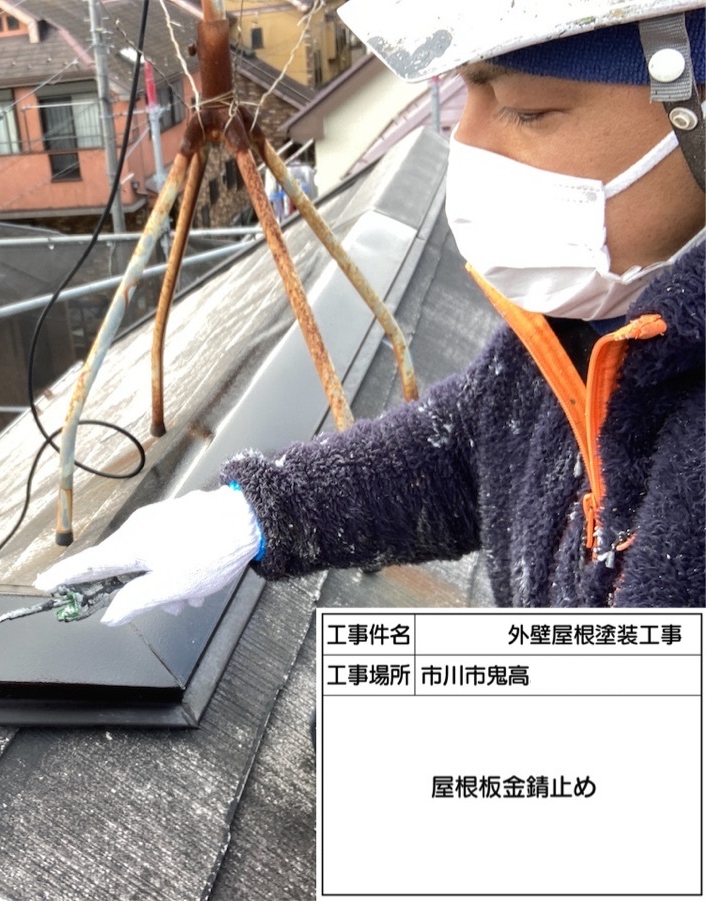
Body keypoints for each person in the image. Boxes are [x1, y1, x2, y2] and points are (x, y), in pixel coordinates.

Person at [37, 1, 706, 624]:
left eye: (525, 111)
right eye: (465, 95)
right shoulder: (592, 318)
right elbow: (474, 448)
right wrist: (259, 514)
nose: (467, 142)